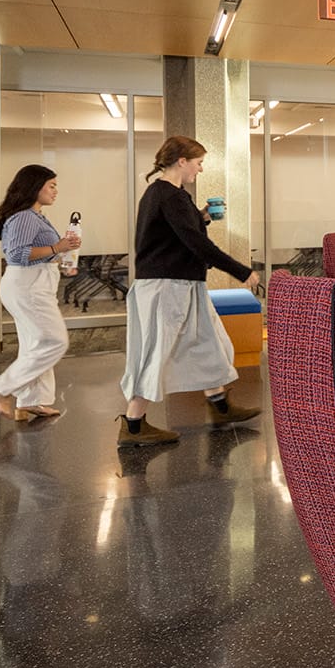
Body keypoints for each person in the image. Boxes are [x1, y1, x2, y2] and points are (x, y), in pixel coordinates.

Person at [117, 135, 261, 447]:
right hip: (167, 286)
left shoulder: (167, 194)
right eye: (198, 163)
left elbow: (179, 231)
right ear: (182, 161)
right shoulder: (168, 195)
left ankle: (220, 407)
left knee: (210, 341)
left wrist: (201, 216)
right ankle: (133, 425)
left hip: (182, 283)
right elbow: (195, 242)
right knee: (156, 352)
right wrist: (242, 271)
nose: (201, 169)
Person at [0, 164, 80, 422]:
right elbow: (16, 254)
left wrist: (62, 254)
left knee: (35, 343)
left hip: (33, 284)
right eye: (51, 185)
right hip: (28, 286)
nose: (56, 191)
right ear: (35, 187)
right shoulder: (24, 216)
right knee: (54, 341)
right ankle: (1, 388)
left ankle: (31, 401)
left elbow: (39, 252)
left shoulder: (36, 216)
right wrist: (57, 247)